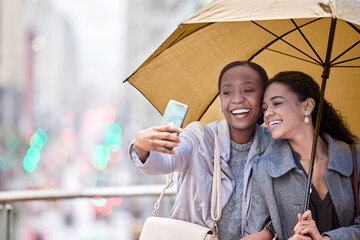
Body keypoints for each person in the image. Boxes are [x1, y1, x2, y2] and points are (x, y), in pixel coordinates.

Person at [128, 61, 276, 239]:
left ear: (264, 98)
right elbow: (165, 162)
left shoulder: (275, 144)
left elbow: (286, 206)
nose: (237, 99)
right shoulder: (198, 137)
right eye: (228, 92)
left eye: (248, 90)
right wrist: (142, 146)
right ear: (221, 102)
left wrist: (269, 232)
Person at [243, 71, 360, 239]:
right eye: (265, 108)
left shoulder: (354, 157)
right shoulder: (264, 170)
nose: (267, 114)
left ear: (307, 106)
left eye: (277, 103)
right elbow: (254, 232)